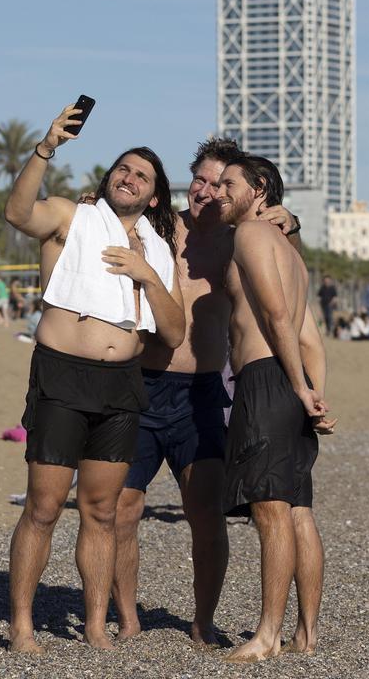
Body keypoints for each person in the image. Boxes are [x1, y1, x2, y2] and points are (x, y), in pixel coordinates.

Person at [3, 104, 186, 653]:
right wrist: (45, 147)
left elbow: (173, 333)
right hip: (63, 374)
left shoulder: (155, 251)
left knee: (102, 511)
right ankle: (22, 625)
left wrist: (147, 276)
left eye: (142, 175)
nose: (128, 177)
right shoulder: (71, 216)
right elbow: (17, 214)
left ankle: (96, 625)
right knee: (43, 507)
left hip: (121, 384)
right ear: (109, 178)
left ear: (154, 196)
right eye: (122, 169)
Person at [111, 138, 299, 648]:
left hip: (199, 394)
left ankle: (202, 620)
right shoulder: (156, 226)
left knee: (205, 513)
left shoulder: (243, 240)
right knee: (123, 509)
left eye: (220, 184)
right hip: (142, 385)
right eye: (200, 180)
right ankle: (127, 617)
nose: (207, 191)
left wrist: (291, 227)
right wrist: (93, 204)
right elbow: (113, 212)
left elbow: (289, 286)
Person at [216, 153, 334, 662]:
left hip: (267, 381)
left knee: (270, 512)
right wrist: (314, 394)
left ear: (258, 189)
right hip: (292, 382)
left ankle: (267, 635)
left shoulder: (251, 235)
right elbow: (311, 334)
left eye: (229, 185)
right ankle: (306, 633)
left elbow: (277, 316)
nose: (220, 192)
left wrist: (295, 387)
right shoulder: (292, 252)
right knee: (298, 511)